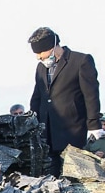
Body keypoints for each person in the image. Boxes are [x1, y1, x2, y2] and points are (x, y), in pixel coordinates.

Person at [28, 26, 101, 175]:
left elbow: (91, 95)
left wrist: (94, 125)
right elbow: (37, 97)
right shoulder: (41, 68)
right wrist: (32, 123)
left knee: (73, 175)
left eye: (41, 52)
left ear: (53, 46)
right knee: (51, 176)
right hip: (46, 133)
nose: (39, 57)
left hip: (72, 130)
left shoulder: (81, 61)